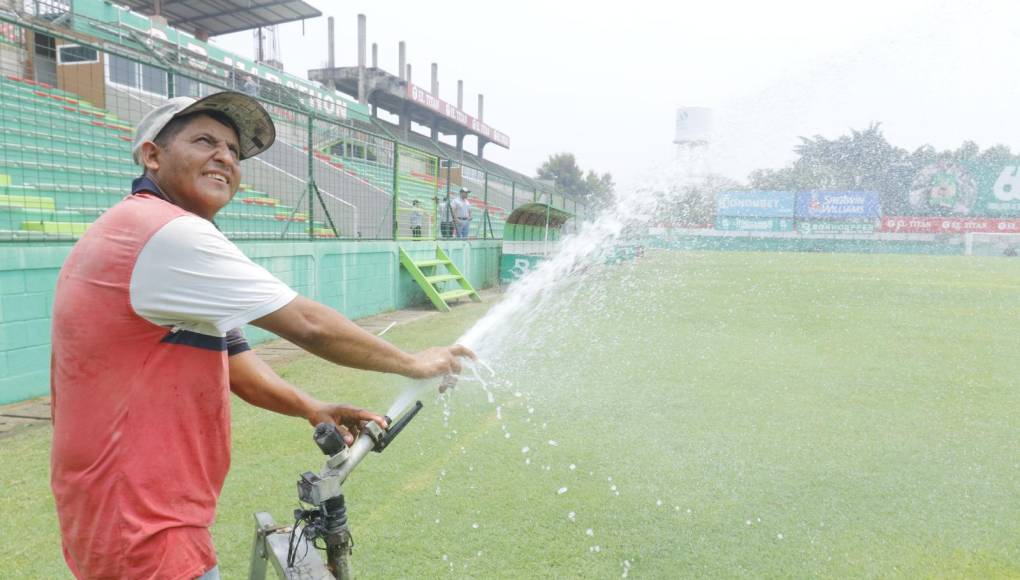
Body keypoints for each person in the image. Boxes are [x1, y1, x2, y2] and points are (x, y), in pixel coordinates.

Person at [49, 92, 474, 580]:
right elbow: (307, 325)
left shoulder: (149, 236)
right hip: (140, 527)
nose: (225, 157)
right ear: (153, 155)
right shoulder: (166, 234)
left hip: (128, 513)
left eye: (233, 149)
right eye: (205, 141)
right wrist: (413, 362)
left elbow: (237, 365)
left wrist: (310, 407)